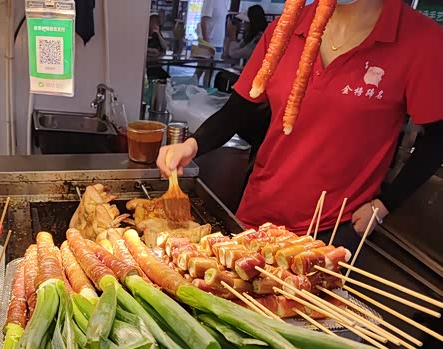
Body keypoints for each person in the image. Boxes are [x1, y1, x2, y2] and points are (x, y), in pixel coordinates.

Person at [157, 0, 443, 252]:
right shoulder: (288, 26)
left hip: (332, 229)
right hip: (257, 214)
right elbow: (238, 110)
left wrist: (383, 206)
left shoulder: (422, 40)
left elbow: (438, 139)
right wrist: (192, 145)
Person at [147, 13, 170, 80]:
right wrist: (151, 50)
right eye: (152, 22)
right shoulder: (144, 33)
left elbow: (165, 47)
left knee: (165, 77)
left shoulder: (157, 35)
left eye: (156, 22)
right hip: (147, 65)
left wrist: (158, 33)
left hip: (156, 63)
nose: (154, 24)